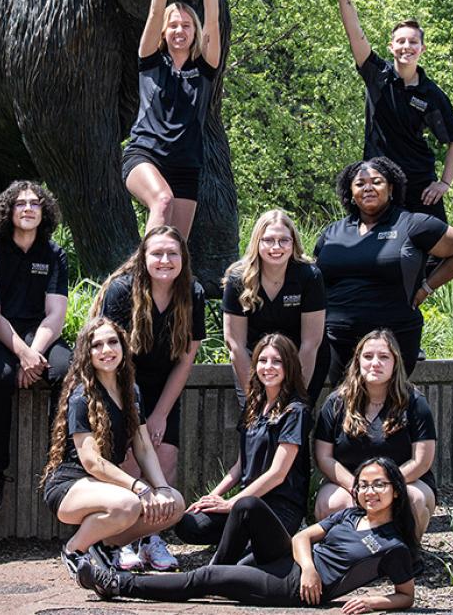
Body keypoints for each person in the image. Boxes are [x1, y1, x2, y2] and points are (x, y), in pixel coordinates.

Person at [76, 457, 418, 613]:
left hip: (295, 590)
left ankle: (115, 583)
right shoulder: (350, 513)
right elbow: (301, 538)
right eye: (364, 485)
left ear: (396, 492)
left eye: (379, 485)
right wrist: (309, 567)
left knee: (207, 576)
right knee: (249, 505)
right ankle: (212, 582)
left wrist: (372, 603)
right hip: (295, 565)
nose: (369, 491)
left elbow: (406, 596)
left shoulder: (394, 546)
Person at [94, 225, 204, 570]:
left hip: (164, 388)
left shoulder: (193, 293)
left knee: (165, 461)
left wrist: (159, 415)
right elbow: (109, 355)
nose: (165, 260)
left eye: (172, 253)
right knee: (129, 463)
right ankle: (123, 539)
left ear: (183, 259)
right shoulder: (122, 291)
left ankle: (153, 539)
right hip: (122, 385)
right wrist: (135, 416)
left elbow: (187, 358)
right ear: (143, 258)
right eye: (156, 253)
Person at [41, 317, 185, 581]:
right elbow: (92, 462)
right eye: (97, 345)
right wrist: (139, 487)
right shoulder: (81, 397)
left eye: (112, 342)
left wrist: (161, 488)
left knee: (174, 503)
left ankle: (106, 547)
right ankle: (74, 551)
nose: (106, 350)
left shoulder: (131, 390)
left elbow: (142, 447)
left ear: (123, 346)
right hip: (70, 485)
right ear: (87, 352)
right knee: (128, 503)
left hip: (106, 487)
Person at [314, 157, 453, 388]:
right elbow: (317, 276)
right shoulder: (333, 232)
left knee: (386, 410)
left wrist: (426, 288)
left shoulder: (412, 224)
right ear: (350, 192)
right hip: (338, 340)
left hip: (394, 337)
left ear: (391, 188)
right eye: (360, 184)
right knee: (344, 409)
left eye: (377, 182)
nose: (368, 187)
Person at [0, 181, 72, 510]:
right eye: (20, 204)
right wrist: (22, 354)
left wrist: (36, 354)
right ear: (7, 210)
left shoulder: (53, 253)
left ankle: (60, 465)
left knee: (67, 370)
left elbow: (56, 313)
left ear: (45, 212)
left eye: (35, 204)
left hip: (38, 333)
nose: (28, 209)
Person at [334, 0, 453, 224]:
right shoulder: (377, 76)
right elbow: (355, 33)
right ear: (391, 46)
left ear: (422, 49)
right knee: (377, 251)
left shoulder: (431, 94)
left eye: (413, 42)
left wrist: (444, 183)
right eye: (401, 41)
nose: (407, 46)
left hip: (420, 188)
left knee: (439, 252)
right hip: (379, 184)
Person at [176, 333, 312, 549]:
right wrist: (211, 498)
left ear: (290, 366)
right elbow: (240, 466)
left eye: (277, 361)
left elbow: (277, 474)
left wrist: (232, 503)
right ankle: (241, 536)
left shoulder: (296, 411)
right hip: (246, 504)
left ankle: (255, 541)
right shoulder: (254, 406)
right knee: (188, 524)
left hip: (279, 506)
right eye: (263, 360)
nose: (269, 367)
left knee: (250, 558)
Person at [123, 0, 221, 238]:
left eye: (186, 25)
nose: (180, 30)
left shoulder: (204, 68)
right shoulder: (151, 60)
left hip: (186, 166)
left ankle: (134, 272)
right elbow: (155, 12)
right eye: (173, 25)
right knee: (162, 200)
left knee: (176, 247)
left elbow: (212, 18)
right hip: (145, 155)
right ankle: (141, 278)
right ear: (164, 32)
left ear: (194, 32)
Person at [314, 330, 437, 540]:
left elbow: (422, 461)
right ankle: (347, 558)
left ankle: (404, 557)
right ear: (358, 361)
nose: (375, 363)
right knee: (332, 503)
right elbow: (324, 457)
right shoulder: (336, 403)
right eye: (368, 356)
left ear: (395, 363)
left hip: (404, 481)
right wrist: (358, 487)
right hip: (349, 482)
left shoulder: (415, 402)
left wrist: (384, 487)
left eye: (384, 357)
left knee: (413, 499)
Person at [223, 209, 327, 403]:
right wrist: (254, 395)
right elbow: (235, 344)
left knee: (294, 423)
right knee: (255, 426)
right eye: (268, 240)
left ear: (293, 242)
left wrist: (294, 394)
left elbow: (311, 343)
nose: (276, 247)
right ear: (257, 242)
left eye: (284, 240)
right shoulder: (238, 279)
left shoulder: (309, 276)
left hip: (301, 361)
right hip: (255, 365)